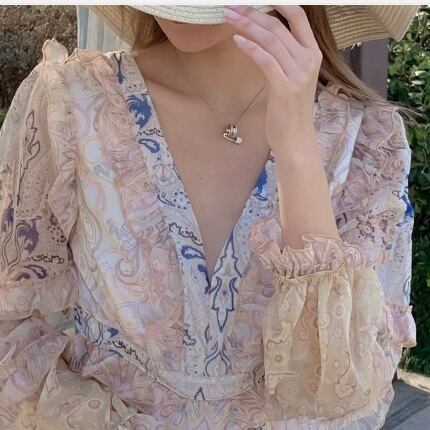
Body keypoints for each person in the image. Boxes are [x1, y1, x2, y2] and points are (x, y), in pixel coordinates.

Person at [0, 5, 419, 429]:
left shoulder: (369, 144)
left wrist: (297, 149)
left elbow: (345, 392)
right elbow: (10, 326)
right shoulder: (73, 104)